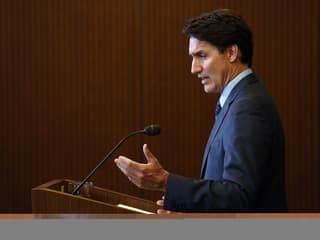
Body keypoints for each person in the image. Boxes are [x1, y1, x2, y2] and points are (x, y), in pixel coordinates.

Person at [114, 9, 287, 213]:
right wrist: (190, 212)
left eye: (202, 56)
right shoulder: (237, 100)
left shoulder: (248, 106)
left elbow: (239, 196)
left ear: (232, 52)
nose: (194, 68)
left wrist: (165, 181)